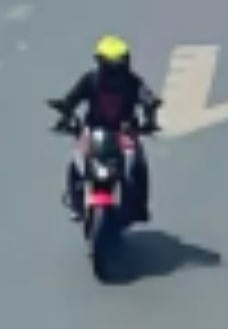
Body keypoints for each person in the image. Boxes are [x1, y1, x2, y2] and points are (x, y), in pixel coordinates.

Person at [51, 35, 162, 224]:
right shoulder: (90, 80)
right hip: (92, 129)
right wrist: (65, 116)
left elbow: (148, 99)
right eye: (112, 64)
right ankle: (76, 202)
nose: (116, 69)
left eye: (120, 62)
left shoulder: (133, 82)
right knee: (76, 163)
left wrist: (150, 118)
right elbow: (71, 100)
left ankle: (139, 206)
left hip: (124, 132)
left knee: (137, 165)